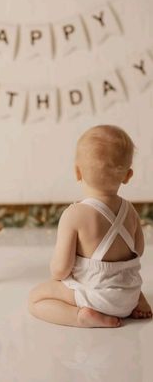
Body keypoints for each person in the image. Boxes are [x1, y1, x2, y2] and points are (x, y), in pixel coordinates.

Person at [28, 125, 152, 328]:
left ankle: (81, 317)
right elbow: (138, 251)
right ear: (128, 175)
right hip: (127, 296)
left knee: (36, 298)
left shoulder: (74, 214)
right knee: (121, 275)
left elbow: (60, 270)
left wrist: (58, 275)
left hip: (95, 299)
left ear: (77, 172)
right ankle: (138, 299)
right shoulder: (130, 211)